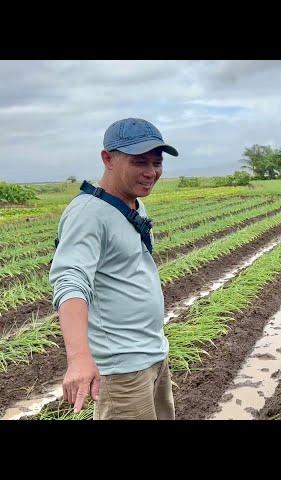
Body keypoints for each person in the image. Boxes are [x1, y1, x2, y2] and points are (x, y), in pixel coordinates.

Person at [49, 118, 179, 419]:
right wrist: (80, 358)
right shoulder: (88, 214)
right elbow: (70, 280)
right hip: (122, 369)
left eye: (157, 162)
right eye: (140, 162)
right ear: (107, 158)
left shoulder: (132, 204)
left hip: (152, 354)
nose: (151, 172)